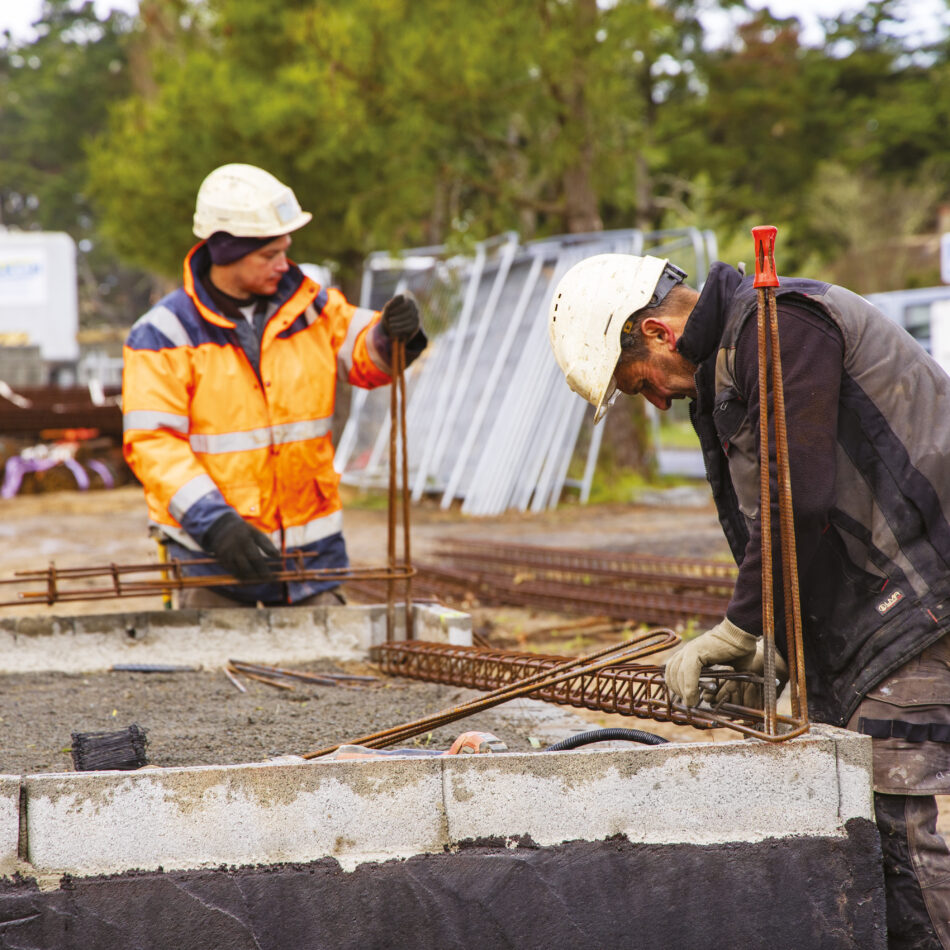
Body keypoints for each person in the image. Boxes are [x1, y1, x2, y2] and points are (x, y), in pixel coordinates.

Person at [548, 252, 950, 948]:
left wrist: (742, 625)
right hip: (886, 610)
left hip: (919, 601)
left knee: (898, 832)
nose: (655, 399)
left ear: (656, 332)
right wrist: (786, 639)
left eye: (637, 380)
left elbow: (798, 497)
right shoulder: (733, 359)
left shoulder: (781, 328)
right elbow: (796, 519)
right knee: (865, 821)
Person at [122, 163, 426, 608]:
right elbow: (154, 444)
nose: (283, 264)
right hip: (214, 564)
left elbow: (368, 358)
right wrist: (215, 523)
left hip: (313, 564)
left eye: (285, 249)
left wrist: (391, 334)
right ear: (225, 252)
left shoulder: (311, 306)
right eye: (268, 255)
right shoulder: (164, 334)